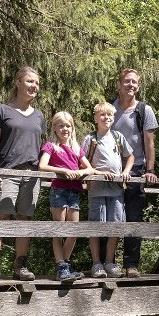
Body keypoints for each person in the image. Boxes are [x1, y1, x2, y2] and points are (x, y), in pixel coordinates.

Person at [0, 66, 44, 282]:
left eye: (36, 83)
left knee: (25, 219)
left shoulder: (39, 115)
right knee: (2, 216)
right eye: (30, 81)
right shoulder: (2, 110)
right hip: (7, 172)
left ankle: (20, 265)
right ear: (18, 83)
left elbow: (40, 146)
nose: (34, 86)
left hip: (32, 174)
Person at [112, 68, 159, 277]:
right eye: (127, 81)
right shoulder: (111, 108)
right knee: (109, 217)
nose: (131, 85)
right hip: (111, 170)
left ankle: (131, 265)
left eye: (135, 82)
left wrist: (150, 170)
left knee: (133, 217)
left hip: (137, 169)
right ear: (119, 84)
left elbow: (149, 143)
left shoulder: (144, 110)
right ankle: (108, 264)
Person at [38, 111, 93, 282]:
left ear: (72, 127)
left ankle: (66, 265)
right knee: (59, 230)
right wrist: (62, 170)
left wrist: (79, 172)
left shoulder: (77, 149)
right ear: (54, 128)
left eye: (68, 125)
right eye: (60, 125)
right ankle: (61, 266)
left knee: (74, 231)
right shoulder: (51, 146)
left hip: (74, 192)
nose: (64, 129)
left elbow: (89, 169)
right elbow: (42, 166)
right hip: (59, 191)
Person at [83, 102, 133, 279]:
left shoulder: (118, 137)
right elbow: (82, 160)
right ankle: (97, 263)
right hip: (96, 189)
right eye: (103, 115)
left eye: (110, 115)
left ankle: (110, 262)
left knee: (116, 226)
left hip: (117, 189)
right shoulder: (90, 139)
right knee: (95, 226)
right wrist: (97, 172)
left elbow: (130, 156)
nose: (107, 118)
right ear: (96, 118)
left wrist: (126, 172)